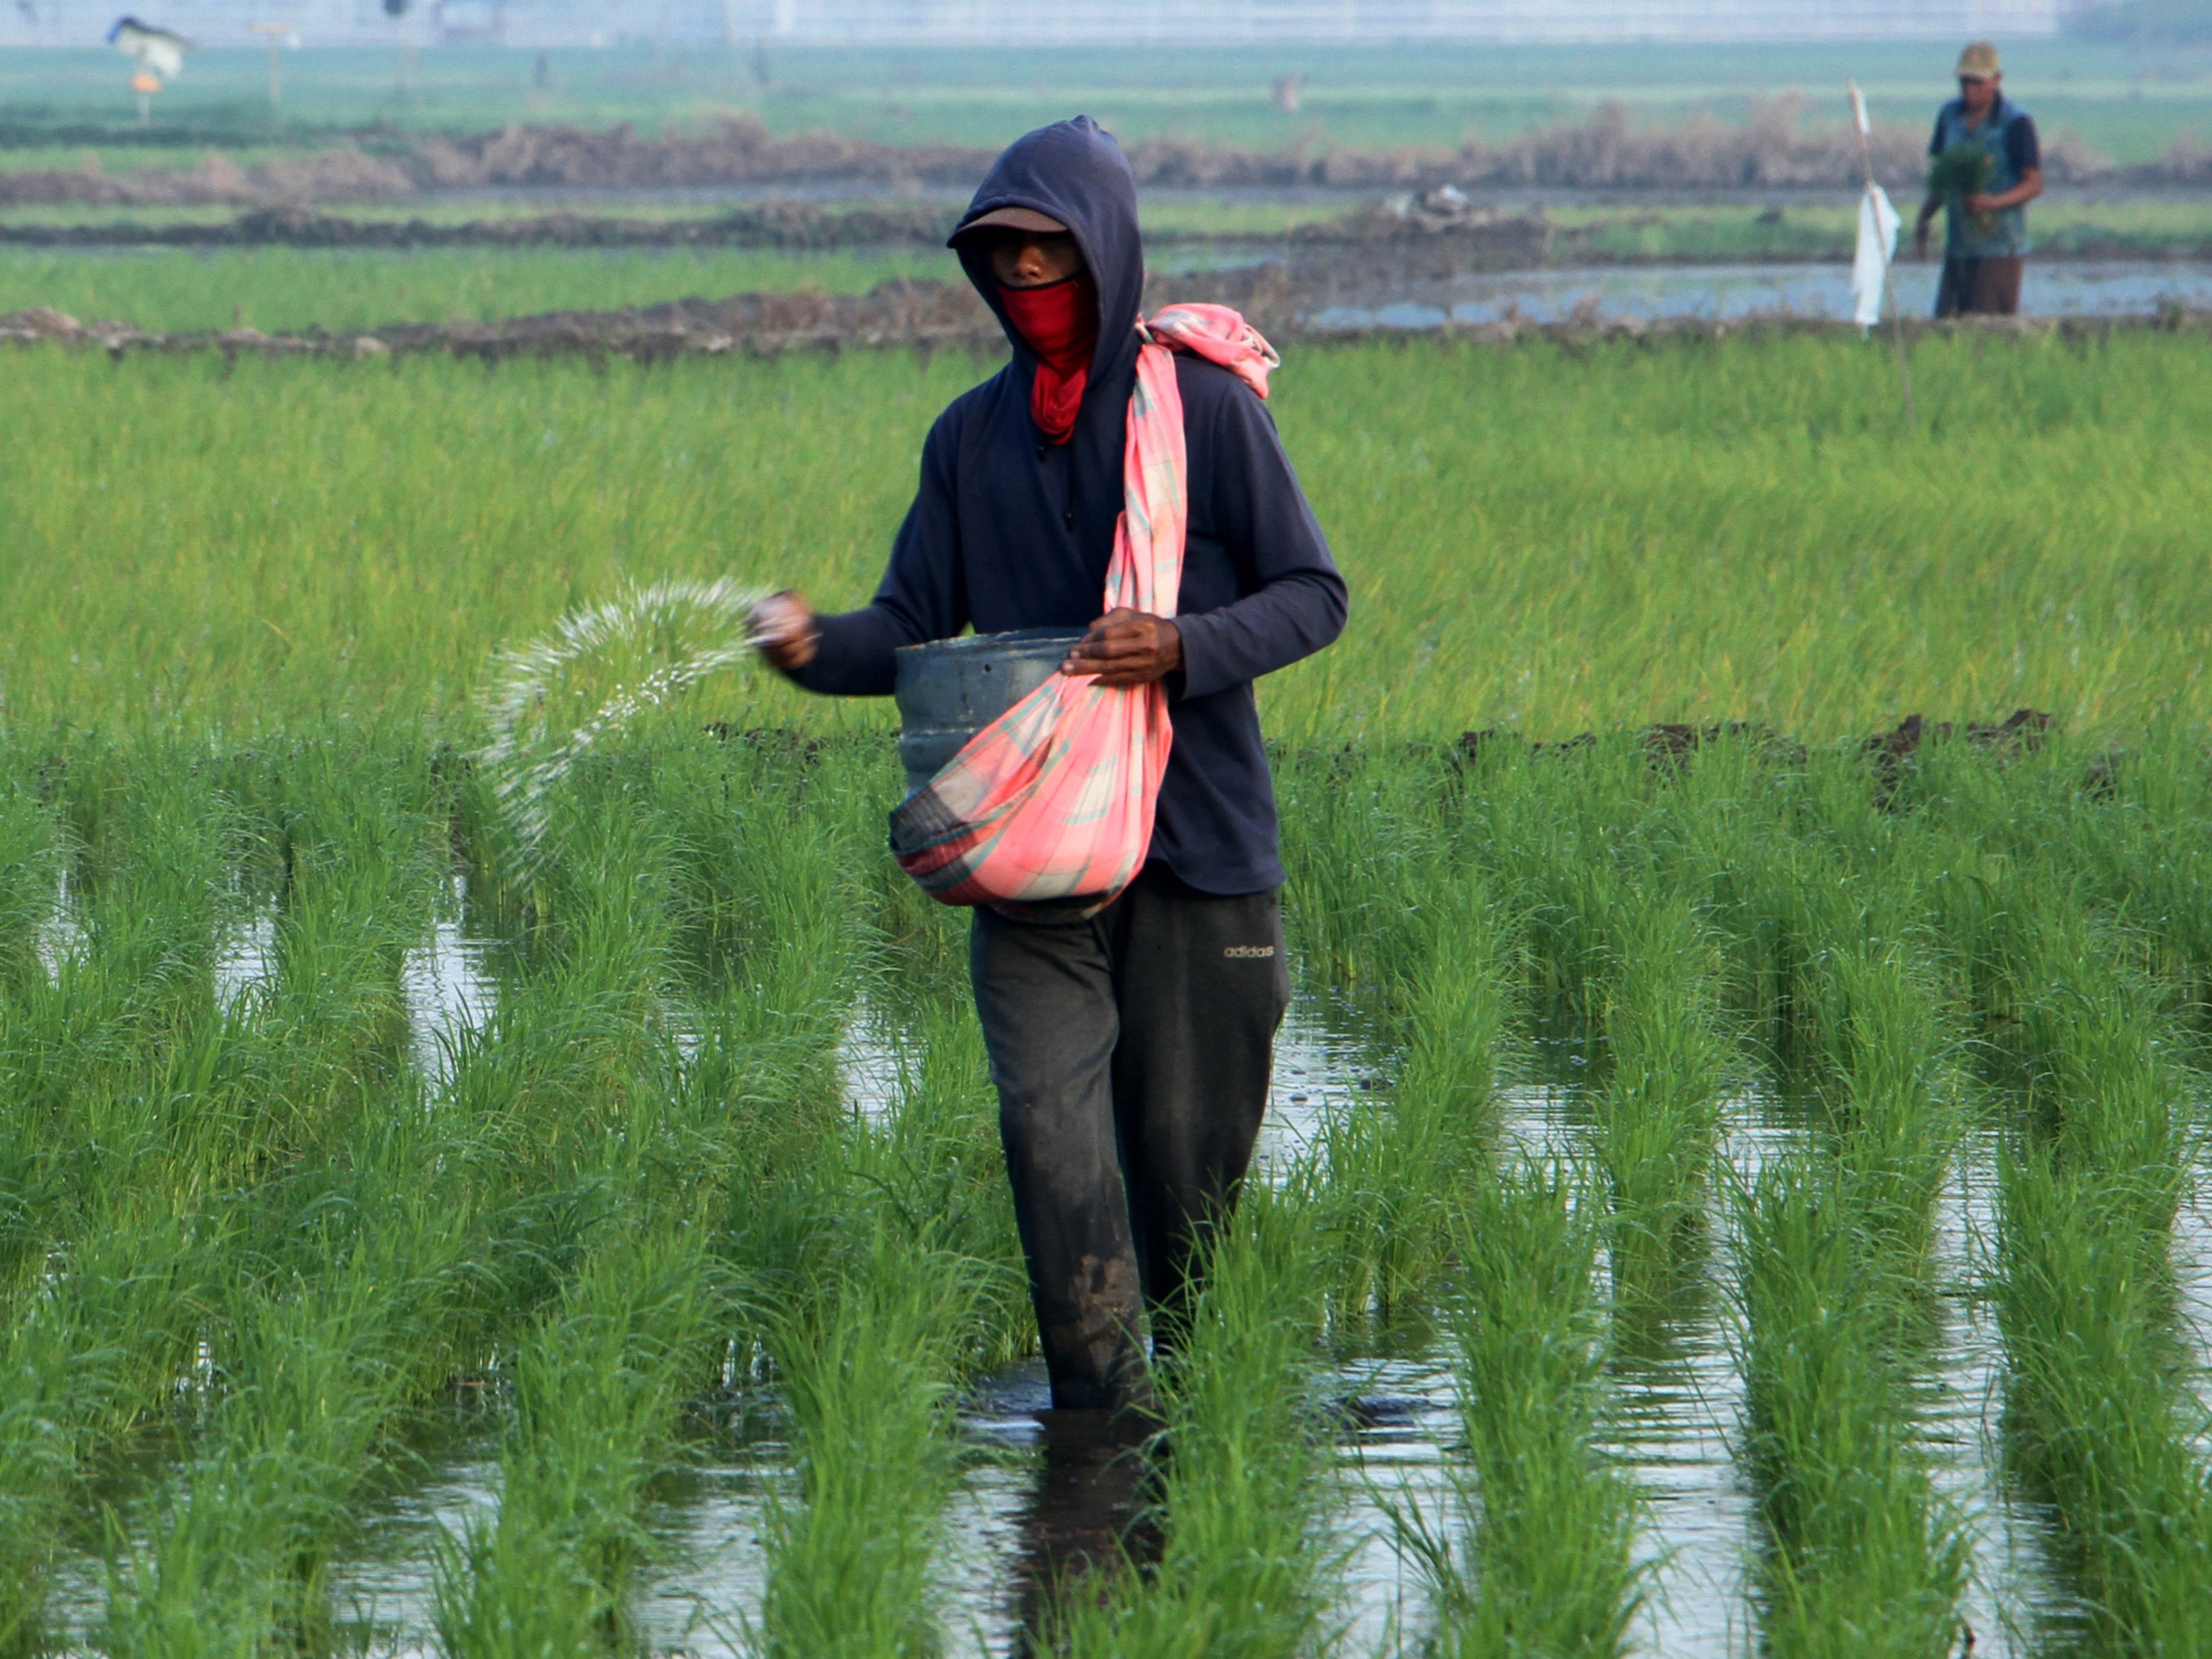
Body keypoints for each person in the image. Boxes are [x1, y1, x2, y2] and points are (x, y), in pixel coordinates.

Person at [752, 116, 1346, 1420]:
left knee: (1186, 1183)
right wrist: (808, 646)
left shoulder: (1201, 413)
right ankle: (1095, 1415)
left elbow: (1315, 594)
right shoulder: (971, 440)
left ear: (1108, 258)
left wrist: (1183, 644)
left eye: (1050, 262)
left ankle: (1195, 1431)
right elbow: (908, 621)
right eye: (1003, 265)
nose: (1028, 290)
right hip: (1035, 852)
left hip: (1195, 853)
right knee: (1045, 1135)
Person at [1914, 40, 2043, 317]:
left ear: (1996, 80)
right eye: (1964, 82)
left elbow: (2034, 184)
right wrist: (1924, 218)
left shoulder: (2016, 122)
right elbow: (1943, 178)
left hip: (2000, 247)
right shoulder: (1949, 116)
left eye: (1977, 82)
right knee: (1948, 327)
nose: (1969, 90)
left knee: (1988, 331)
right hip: (1959, 244)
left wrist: (1993, 203)